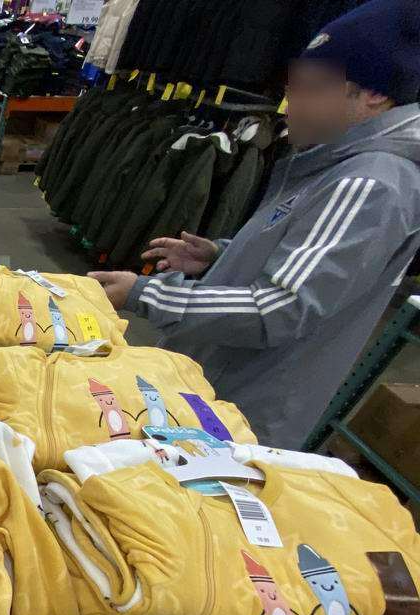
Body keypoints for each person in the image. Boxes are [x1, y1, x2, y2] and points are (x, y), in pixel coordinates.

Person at [89, 0, 420, 448]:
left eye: (308, 88)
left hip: (240, 408)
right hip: (214, 385)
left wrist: (144, 294)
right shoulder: (332, 162)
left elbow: (281, 308)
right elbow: (308, 263)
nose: (288, 104)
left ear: (373, 93)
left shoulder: (368, 183)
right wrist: (222, 256)